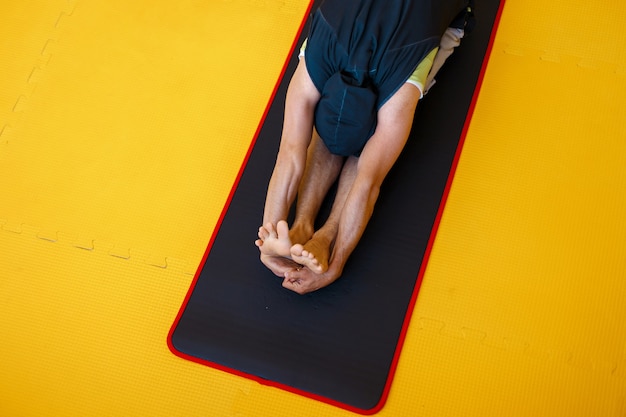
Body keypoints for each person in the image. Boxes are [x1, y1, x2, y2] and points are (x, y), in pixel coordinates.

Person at [255, 0, 474, 294]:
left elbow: (366, 182)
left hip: (413, 36)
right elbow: (292, 155)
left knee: (371, 146)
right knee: (359, 139)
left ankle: (323, 234)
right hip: (365, 28)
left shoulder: (399, 92)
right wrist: (271, 235)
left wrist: (336, 262)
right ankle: (304, 228)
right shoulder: (317, 60)